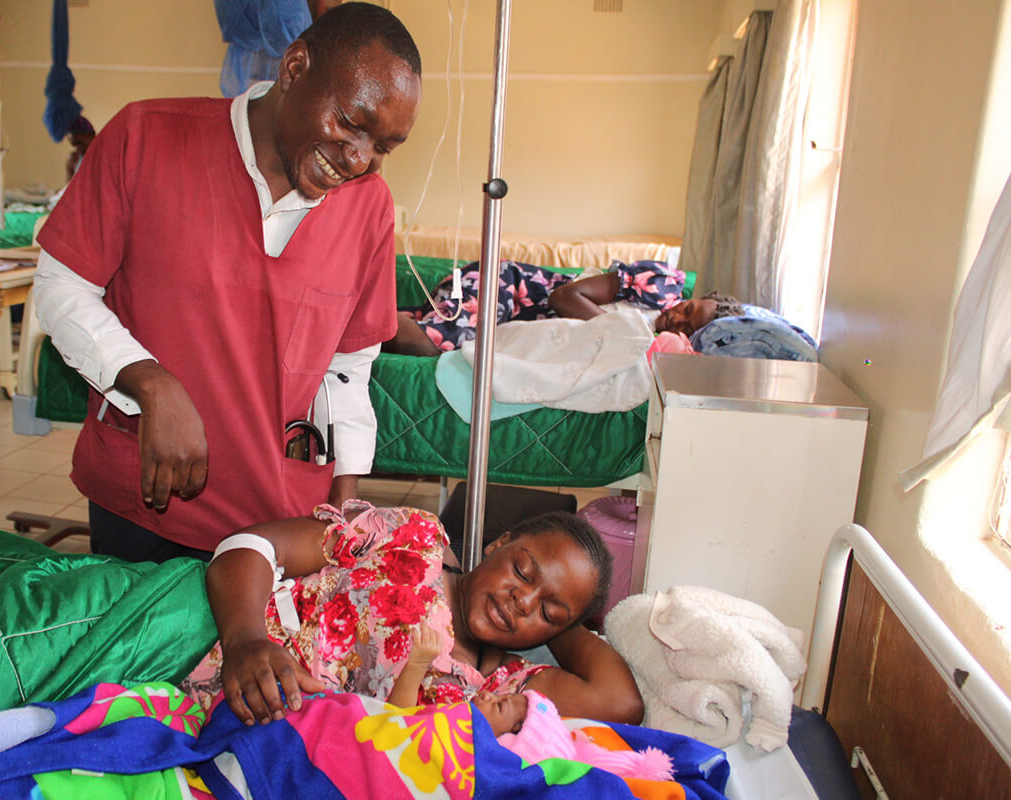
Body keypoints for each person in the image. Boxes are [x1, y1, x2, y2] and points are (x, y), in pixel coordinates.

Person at [32, 4, 423, 560]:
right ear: (294, 67)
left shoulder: (369, 208)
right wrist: (149, 382)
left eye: (383, 147)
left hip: (275, 527)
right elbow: (59, 285)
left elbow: (347, 368)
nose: (359, 160)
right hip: (145, 501)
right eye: (351, 124)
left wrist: (347, 508)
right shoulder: (145, 138)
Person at [184, 502, 644, 726]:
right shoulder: (412, 536)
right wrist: (245, 639)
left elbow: (621, 703)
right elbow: (256, 546)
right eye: (522, 571)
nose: (523, 600)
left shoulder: (501, 687)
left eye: (547, 609)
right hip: (195, 645)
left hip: (269, 752)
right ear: (497, 545)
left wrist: (556, 622)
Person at [385, 259, 686, 356]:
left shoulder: (662, 349)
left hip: (509, 320)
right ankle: (358, 308)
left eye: (688, 325)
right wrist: (622, 332)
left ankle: (361, 316)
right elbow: (564, 297)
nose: (679, 318)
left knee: (407, 329)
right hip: (510, 286)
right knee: (431, 343)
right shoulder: (663, 285)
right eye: (690, 308)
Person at [64, 115, 97, 182]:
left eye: (79, 143)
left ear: (92, 135)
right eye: (74, 145)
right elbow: (68, 189)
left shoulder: (106, 157)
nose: (78, 149)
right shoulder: (73, 159)